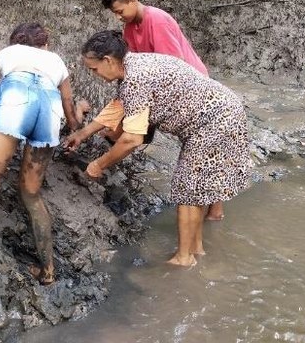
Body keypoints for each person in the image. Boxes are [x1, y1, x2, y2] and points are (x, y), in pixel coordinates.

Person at [71, 30, 251, 268]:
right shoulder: (134, 63)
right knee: (194, 186)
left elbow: (131, 140)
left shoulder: (135, 80)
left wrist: (98, 165)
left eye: (94, 69)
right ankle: (196, 248)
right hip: (225, 110)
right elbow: (119, 107)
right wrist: (83, 133)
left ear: (108, 60)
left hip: (213, 121)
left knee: (187, 187)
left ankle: (184, 259)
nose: (94, 75)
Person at [66, 0, 225, 220]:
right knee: (123, 130)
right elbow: (129, 77)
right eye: (114, 13)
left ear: (133, 1)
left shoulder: (157, 21)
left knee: (197, 153)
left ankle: (214, 210)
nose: (118, 17)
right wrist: (86, 131)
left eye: (120, 11)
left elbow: (172, 65)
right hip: (153, 89)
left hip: (187, 90)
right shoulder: (130, 29)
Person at [0, 22, 80, 333]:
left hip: (16, 102)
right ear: (45, 42)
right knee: (31, 195)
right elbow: (72, 119)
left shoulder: (9, 53)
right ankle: (48, 271)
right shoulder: (56, 62)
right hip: (50, 111)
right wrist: (81, 111)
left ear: (16, 41)